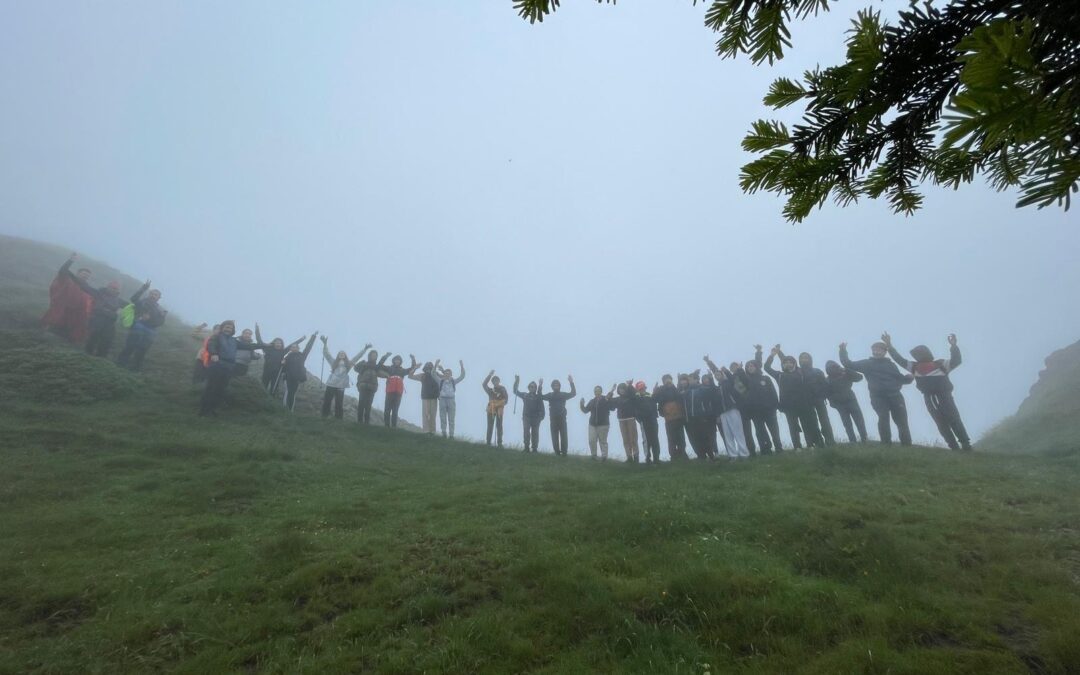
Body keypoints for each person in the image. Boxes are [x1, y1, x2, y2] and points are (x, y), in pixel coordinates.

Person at [884, 332, 972, 451]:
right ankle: (954, 446)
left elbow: (956, 360)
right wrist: (889, 346)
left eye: (919, 353)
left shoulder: (940, 364)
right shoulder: (915, 367)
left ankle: (965, 444)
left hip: (944, 396)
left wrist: (953, 346)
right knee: (941, 423)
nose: (918, 356)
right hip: (929, 397)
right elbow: (899, 359)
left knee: (954, 419)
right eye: (916, 354)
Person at [839, 337, 913, 445]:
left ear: (884, 352)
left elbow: (900, 378)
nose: (876, 352)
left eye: (879, 350)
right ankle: (886, 444)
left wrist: (909, 378)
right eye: (874, 350)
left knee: (902, 421)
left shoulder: (891, 365)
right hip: (878, 397)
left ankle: (907, 445)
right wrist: (842, 350)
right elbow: (848, 364)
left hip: (896, 396)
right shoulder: (867, 363)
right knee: (883, 418)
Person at [61, 257, 130, 357]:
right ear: (108, 287)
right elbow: (76, 281)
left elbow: (133, 306)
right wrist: (69, 262)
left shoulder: (119, 301)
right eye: (112, 287)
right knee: (92, 340)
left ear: (118, 291)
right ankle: (87, 357)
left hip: (110, 324)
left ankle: (100, 359)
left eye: (116, 289)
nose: (114, 290)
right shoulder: (98, 293)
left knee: (106, 342)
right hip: (96, 321)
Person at [199, 320, 264, 417]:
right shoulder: (216, 336)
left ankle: (212, 409)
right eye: (226, 327)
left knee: (220, 389)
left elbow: (249, 346)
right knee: (211, 388)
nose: (228, 329)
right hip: (217, 364)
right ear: (222, 328)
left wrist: (264, 345)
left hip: (228, 366)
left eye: (230, 328)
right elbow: (210, 345)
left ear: (233, 330)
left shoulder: (234, 341)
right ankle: (204, 410)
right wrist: (214, 353)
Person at [764, 345, 825, 449]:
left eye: (790, 362)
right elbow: (767, 368)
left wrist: (780, 353)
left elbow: (786, 359)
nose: (788, 364)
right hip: (789, 407)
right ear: (783, 365)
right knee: (793, 428)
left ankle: (811, 445)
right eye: (786, 363)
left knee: (808, 425)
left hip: (804, 404)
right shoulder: (779, 375)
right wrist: (773, 355)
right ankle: (797, 447)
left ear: (794, 364)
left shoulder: (801, 372)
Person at [41, 253, 93, 344]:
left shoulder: (86, 288)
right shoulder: (69, 279)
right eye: (84, 274)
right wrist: (71, 261)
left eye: (87, 276)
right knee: (55, 327)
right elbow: (63, 271)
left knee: (68, 332)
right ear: (78, 273)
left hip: (75, 313)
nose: (85, 276)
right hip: (62, 309)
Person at [704, 356, 750, 459]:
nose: (717, 376)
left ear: (723, 374)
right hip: (723, 413)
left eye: (719, 374)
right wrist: (718, 415)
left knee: (738, 433)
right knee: (728, 435)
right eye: (715, 376)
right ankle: (732, 455)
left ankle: (744, 454)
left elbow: (738, 390)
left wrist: (710, 363)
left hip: (733, 410)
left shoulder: (730, 383)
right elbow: (715, 403)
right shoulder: (716, 388)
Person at [116, 280, 168, 371]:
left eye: (156, 295)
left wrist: (151, 319)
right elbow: (133, 299)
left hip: (150, 330)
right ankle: (120, 364)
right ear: (149, 294)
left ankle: (134, 369)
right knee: (130, 346)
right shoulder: (142, 302)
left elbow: (160, 322)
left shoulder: (159, 309)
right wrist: (143, 288)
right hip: (138, 325)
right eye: (152, 293)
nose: (153, 295)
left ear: (159, 297)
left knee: (142, 350)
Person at [743, 347, 785, 453]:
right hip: (755, 411)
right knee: (760, 431)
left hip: (769, 409)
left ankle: (779, 448)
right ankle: (766, 449)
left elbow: (773, 393)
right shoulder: (745, 381)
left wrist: (775, 405)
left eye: (752, 366)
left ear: (756, 367)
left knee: (774, 430)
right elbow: (741, 392)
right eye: (748, 366)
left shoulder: (765, 378)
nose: (750, 367)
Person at [320, 337, 369, 420]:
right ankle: (324, 416)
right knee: (327, 400)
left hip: (341, 385)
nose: (342, 354)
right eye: (340, 353)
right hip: (331, 383)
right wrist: (325, 344)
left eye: (343, 353)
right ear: (338, 355)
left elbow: (357, 357)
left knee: (339, 402)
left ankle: (338, 419)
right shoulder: (333, 362)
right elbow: (326, 354)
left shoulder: (348, 364)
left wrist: (364, 349)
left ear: (345, 355)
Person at [825, 360, 869, 443]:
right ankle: (852, 441)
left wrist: (847, 370)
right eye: (831, 367)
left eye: (835, 366)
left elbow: (859, 377)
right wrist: (834, 404)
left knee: (859, 420)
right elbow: (827, 394)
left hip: (851, 400)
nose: (833, 368)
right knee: (847, 424)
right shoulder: (827, 380)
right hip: (840, 404)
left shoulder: (845, 374)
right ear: (827, 370)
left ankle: (864, 438)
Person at [254, 324, 304, 394]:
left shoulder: (283, 351)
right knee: (263, 387)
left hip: (277, 373)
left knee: (274, 388)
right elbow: (260, 341)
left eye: (280, 343)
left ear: (282, 344)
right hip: (267, 371)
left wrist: (301, 340)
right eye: (277, 343)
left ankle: (272, 399)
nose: (278, 344)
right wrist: (257, 330)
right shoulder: (268, 350)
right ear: (273, 343)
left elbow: (291, 345)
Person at [798, 352, 835, 445]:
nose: (804, 360)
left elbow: (825, 385)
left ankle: (830, 441)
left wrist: (823, 395)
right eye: (802, 358)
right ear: (799, 360)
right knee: (812, 422)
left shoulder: (817, 371)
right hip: (806, 401)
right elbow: (786, 360)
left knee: (824, 420)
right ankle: (819, 442)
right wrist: (779, 353)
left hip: (819, 399)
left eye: (806, 358)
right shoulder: (798, 372)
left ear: (810, 359)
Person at [682, 371, 718, 460]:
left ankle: (711, 455)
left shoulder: (702, 389)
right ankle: (702, 456)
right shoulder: (687, 392)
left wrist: (711, 378)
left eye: (691, 379)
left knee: (705, 437)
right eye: (689, 380)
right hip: (691, 418)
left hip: (702, 417)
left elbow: (712, 391)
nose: (689, 381)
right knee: (696, 438)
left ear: (696, 380)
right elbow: (680, 397)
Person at [653, 375, 688, 460]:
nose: (668, 381)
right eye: (666, 380)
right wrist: (655, 391)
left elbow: (680, 398)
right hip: (669, 418)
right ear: (663, 381)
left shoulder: (675, 389)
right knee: (671, 438)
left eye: (669, 379)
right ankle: (673, 456)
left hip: (679, 416)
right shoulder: (660, 390)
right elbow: (654, 399)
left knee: (681, 437)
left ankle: (683, 454)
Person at [281, 333, 319, 411]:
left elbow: (308, 347)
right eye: (292, 347)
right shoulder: (287, 357)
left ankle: (290, 410)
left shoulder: (302, 355)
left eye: (295, 347)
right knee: (288, 392)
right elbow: (283, 369)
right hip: (288, 377)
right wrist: (283, 363)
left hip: (297, 378)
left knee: (293, 393)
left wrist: (313, 337)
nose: (293, 348)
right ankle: (284, 409)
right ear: (290, 349)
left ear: (298, 348)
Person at [379, 354, 418, 428]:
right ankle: (386, 426)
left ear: (400, 362)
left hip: (398, 392)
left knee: (395, 410)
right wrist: (385, 356)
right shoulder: (389, 368)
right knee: (387, 409)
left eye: (399, 360)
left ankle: (394, 427)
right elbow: (380, 365)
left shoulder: (403, 371)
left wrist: (413, 359)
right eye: (396, 360)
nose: (397, 361)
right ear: (393, 361)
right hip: (389, 391)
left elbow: (413, 368)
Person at [540, 376, 576, 456]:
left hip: (562, 418)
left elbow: (573, 393)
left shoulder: (563, 394)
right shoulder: (550, 395)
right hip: (553, 419)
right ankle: (557, 452)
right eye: (554, 385)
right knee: (554, 436)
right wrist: (540, 385)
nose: (556, 386)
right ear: (552, 387)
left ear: (559, 386)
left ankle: (564, 452)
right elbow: (540, 396)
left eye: (557, 385)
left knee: (564, 435)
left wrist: (571, 382)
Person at [430, 360, 466, 438]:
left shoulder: (454, 381)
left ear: (451, 374)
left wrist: (462, 366)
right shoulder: (440, 381)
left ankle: (451, 435)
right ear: (444, 374)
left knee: (451, 418)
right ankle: (444, 433)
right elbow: (433, 374)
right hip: (442, 400)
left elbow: (462, 376)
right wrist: (435, 364)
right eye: (446, 373)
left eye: (449, 373)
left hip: (451, 400)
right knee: (442, 417)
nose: (447, 374)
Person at [580, 385, 616, 460]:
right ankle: (594, 455)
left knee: (603, 441)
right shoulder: (592, 401)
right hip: (592, 424)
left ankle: (604, 456)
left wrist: (612, 390)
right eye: (596, 391)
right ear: (594, 392)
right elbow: (585, 410)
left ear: (601, 391)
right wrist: (581, 404)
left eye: (598, 390)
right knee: (591, 440)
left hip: (603, 424)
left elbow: (608, 396)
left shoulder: (605, 399)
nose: (597, 392)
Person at [354, 350, 390, 424]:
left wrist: (385, 356)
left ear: (376, 357)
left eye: (375, 355)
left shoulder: (376, 367)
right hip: (363, 386)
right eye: (372, 355)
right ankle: (359, 422)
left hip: (372, 387)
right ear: (369, 356)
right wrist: (361, 363)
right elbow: (355, 368)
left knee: (368, 405)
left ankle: (366, 423)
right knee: (361, 404)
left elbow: (381, 363)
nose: (374, 356)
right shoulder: (364, 364)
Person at [513, 376, 545, 452]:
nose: (532, 388)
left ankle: (534, 449)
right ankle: (526, 447)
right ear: (528, 388)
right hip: (526, 417)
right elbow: (515, 391)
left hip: (536, 417)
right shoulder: (525, 395)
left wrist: (541, 417)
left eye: (534, 387)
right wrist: (517, 381)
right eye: (531, 386)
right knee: (526, 431)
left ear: (536, 388)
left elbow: (542, 407)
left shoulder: (538, 397)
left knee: (535, 433)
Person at [612, 382, 641, 463]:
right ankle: (629, 457)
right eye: (620, 389)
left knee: (633, 438)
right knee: (625, 439)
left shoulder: (631, 397)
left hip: (631, 418)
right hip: (621, 420)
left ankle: (636, 456)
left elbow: (635, 394)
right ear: (618, 390)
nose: (622, 390)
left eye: (623, 388)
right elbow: (609, 402)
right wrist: (612, 391)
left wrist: (630, 386)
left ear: (626, 389)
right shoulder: (617, 399)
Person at [635, 381, 662, 464]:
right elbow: (635, 409)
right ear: (638, 389)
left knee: (655, 439)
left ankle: (656, 458)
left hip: (653, 419)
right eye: (640, 388)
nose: (642, 389)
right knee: (646, 440)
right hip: (643, 421)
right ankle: (647, 458)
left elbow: (655, 401)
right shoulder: (636, 397)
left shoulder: (650, 395)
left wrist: (655, 391)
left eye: (643, 388)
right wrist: (639, 419)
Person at [410, 362, 441, 434]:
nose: (428, 370)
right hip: (425, 397)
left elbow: (446, 377)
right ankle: (426, 431)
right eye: (427, 368)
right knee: (425, 415)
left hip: (434, 398)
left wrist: (442, 371)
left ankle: (432, 431)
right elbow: (410, 376)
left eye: (430, 368)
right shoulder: (422, 375)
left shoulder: (437, 375)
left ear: (432, 368)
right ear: (425, 369)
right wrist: (415, 368)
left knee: (433, 415)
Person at [481, 371, 509, 446]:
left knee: (499, 426)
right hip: (491, 409)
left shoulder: (503, 389)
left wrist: (499, 404)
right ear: (492, 382)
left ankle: (500, 443)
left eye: (496, 380)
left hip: (499, 409)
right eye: (494, 381)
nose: (495, 382)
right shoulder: (490, 390)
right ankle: (488, 442)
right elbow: (484, 384)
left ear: (499, 381)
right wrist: (490, 375)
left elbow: (506, 400)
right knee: (490, 425)